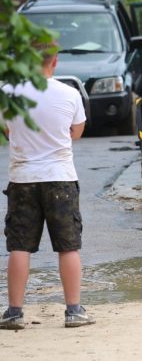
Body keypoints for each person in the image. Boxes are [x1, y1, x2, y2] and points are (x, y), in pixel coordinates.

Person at [1, 41, 93, 330]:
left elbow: (7, 129)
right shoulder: (70, 94)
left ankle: (14, 313)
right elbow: (76, 132)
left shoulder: (7, 93)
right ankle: (74, 311)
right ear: (54, 62)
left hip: (22, 178)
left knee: (19, 246)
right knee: (68, 246)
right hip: (60, 178)